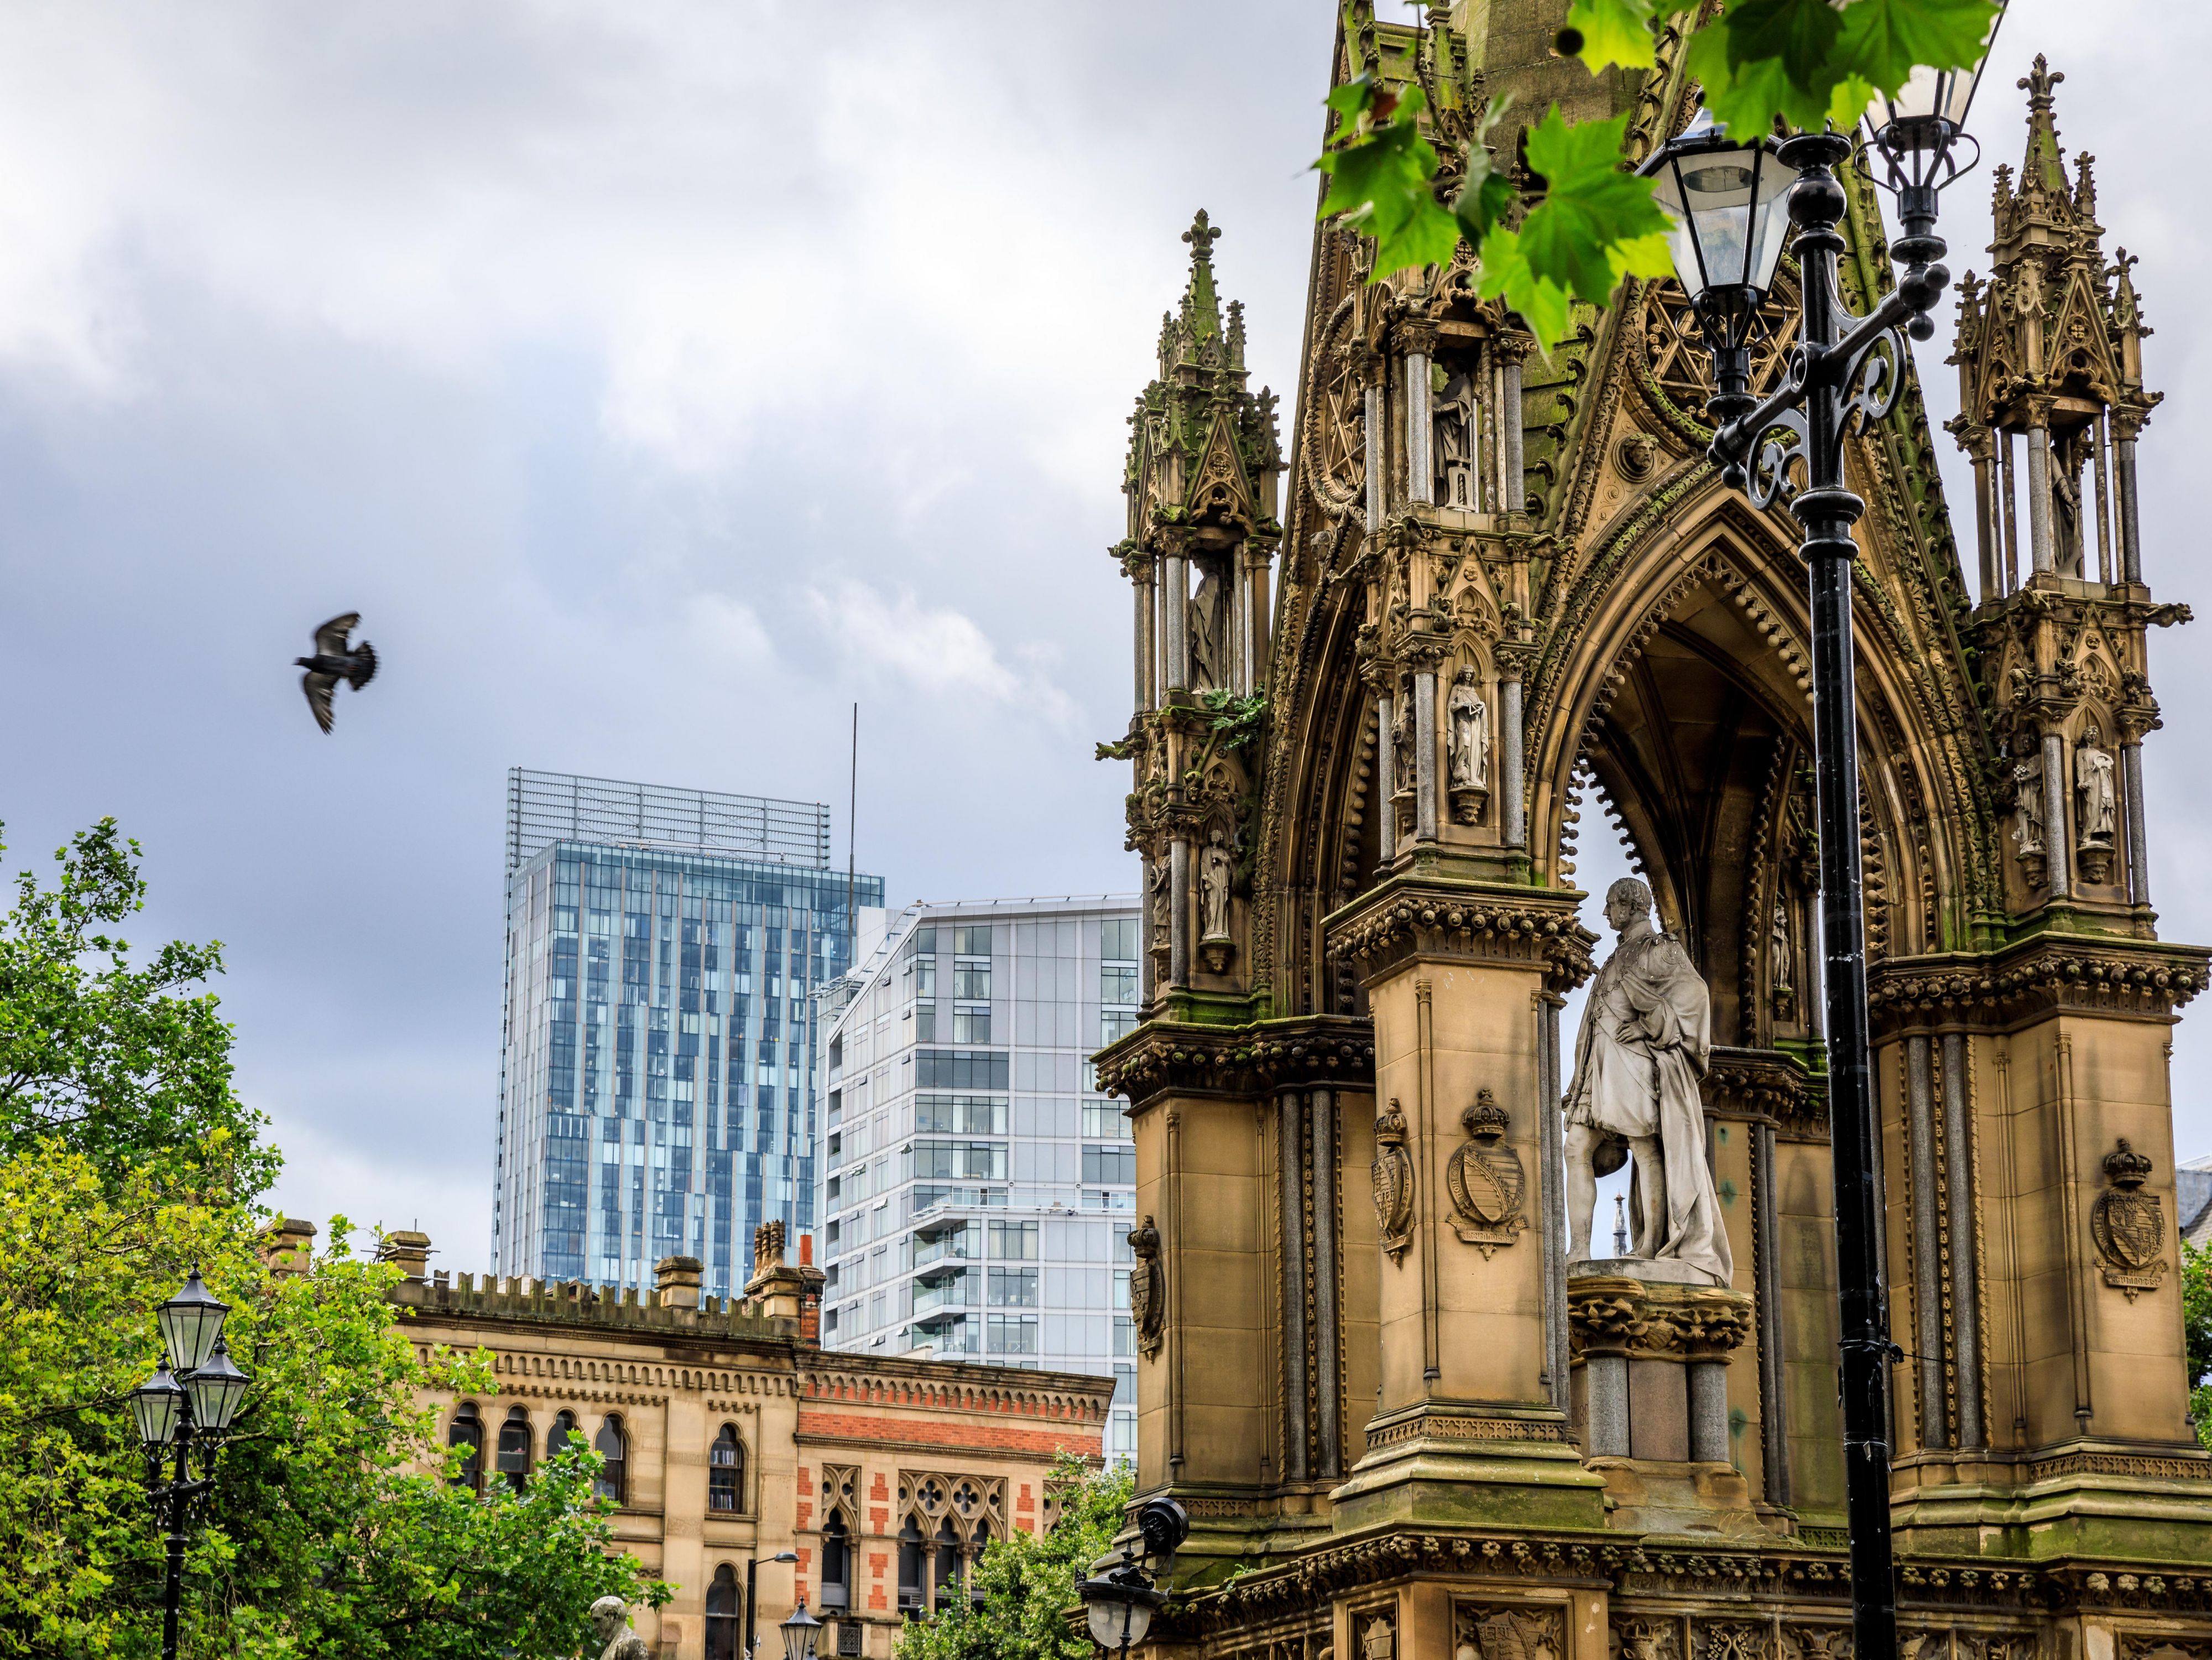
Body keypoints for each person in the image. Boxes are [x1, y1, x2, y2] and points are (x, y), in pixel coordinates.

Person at [1561, 877, 1732, 1286]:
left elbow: (1695, 996)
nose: (1606, 913)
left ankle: (1651, 1243)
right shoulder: (1617, 955)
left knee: (1644, 1146)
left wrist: (1648, 1026)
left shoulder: (1660, 949)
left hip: (1633, 1066)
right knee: (1575, 1147)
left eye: (1611, 905)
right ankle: (1579, 1248)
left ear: (1631, 905)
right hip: (1598, 1069)